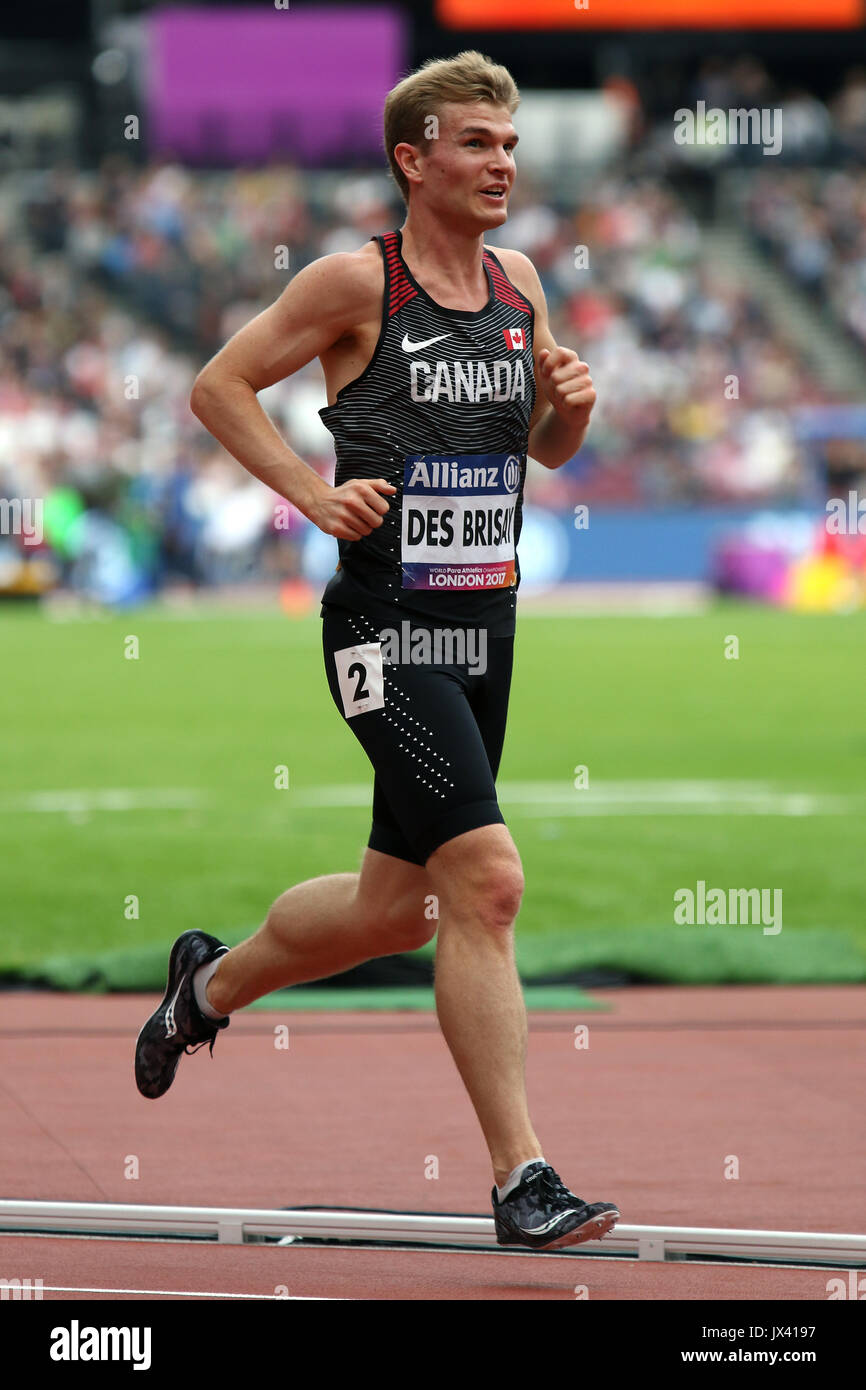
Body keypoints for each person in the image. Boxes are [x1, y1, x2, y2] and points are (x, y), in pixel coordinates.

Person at [135, 50, 619, 1252]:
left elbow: (546, 453)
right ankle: (522, 1178)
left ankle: (208, 983)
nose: (501, 163)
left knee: (396, 906)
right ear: (413, 159)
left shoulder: (515, 286)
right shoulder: (359, 282)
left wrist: (571, 404)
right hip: (382, 626)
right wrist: (311, 492)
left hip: (482, 624)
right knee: (489, 880)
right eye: (475, 144)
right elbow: (218, 385)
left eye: (507, 145)